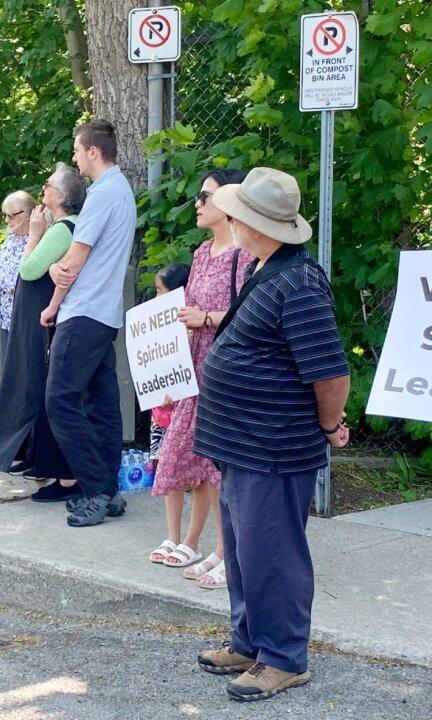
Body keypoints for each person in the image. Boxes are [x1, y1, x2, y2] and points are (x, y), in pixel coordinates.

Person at [192, 167, 350, 703]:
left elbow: (329, 372)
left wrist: (330, 427)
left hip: (273, 444)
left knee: (272, 551)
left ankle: (284, 657)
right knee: (241, 549)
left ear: (250, 222)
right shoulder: (268, 268)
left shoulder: (299, 281)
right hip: (243, 442)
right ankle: (249, 641)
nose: (228, 219)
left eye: (234, 213)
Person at [150, 168, 254, 589]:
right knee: (186, 455)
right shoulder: (200, 253)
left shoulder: (246, 256)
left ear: (229, 204)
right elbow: (185, 311)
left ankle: (228, 553)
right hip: (195, 366)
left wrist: (206, 318)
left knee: (221, 465)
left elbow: (253, 314)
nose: (197, 202)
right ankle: (194, 542)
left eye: (205, 194)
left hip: (227, 367)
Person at [40, 120, 136, 527]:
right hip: (105, 313)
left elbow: (74, 260)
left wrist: (53, 297)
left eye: (78, 151)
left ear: (93, 151)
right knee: (101, 405)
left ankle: (95, 489)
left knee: (60, 399)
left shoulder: (102, 195)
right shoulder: (123, 191)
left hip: (83, 312)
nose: (75, 158)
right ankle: (109, 491)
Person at [0, 162, 84, 501]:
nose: (41, 192)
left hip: (46, 326)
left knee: (50, 399)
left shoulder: (60, 230)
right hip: (44, 324)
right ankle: (43, 463)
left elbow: (27, 270)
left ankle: (65, 476)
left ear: (60, 196)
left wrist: (34, 235)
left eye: (46, 187)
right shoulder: (62, 228)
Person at [144, 263, 190, 545]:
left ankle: (189, 539)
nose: (156, 297)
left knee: (194, 475)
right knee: (168, 472)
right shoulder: (156, 326)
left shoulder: (189, 326)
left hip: (183, 409)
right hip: (161, 410)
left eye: (161, 291)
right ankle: (172, 536)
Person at [0, 190, 35, 362]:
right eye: (4, 215)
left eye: (11, 215)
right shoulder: (10, 241)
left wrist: (8, 284)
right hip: (6, 317)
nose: (6, 220)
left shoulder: (38, 241)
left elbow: (24, 279)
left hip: (26, 319)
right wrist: (8, 286)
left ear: (27, 214)